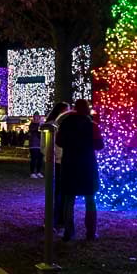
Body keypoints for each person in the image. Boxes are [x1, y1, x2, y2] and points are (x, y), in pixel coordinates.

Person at [56, 99, 103, 241]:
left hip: (70, 163)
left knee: (69, 198)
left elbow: (59, 142)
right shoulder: (92, 126)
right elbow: (99, 145)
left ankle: (68, 232)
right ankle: (91, 232)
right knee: (90, 198)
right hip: (87, 164)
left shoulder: (65, 124)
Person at [44, 102, 71, 231]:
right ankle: (52, 220)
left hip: (61, 161)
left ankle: (60, 218)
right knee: (56, 192)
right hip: (55, 162)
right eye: (66, 110)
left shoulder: (61, 125)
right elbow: (46, 146)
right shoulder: (51, 125)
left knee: (61, 191)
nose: (68, 113)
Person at [28, 113, 44, 179]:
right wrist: (39, 125)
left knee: (40, 159)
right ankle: (32, 173)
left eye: (38, 117)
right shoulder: (32, 124)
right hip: (34, 144)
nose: (37, 118)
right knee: (34, 158)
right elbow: (33, 130)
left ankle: (38, 172)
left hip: (41, 144)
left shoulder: (41, 124)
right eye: (35, 117)